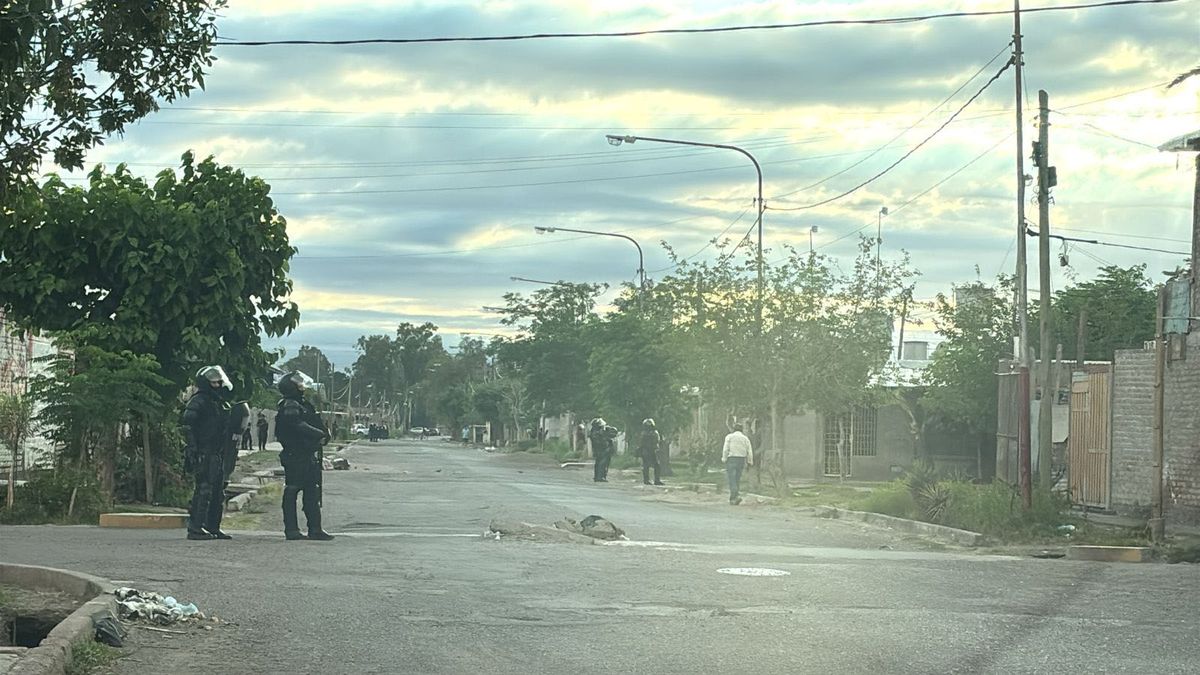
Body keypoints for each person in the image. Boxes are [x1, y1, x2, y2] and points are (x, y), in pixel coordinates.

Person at [276, 371, 334, 541]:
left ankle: (315, 529)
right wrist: (318, 434)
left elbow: (312, 421)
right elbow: (297, 425)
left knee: (312, 491)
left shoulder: (303, 404)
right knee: (293, 489)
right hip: (295, 453)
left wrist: (324, 433)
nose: (302, 387)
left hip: (308, 453)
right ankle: (291, 529)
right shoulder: (290, 405)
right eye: (298, 384)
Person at [181, 365, 234, 540]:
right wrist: (193, 448)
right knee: (204, 489)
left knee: (218, 491)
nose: (218, 384)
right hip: (204, 451)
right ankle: (196, 527)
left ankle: (213, 526)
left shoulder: (217, 402)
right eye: (214, 381)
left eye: (219, 381)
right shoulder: (198, 400)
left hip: (217, 452)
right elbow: (187, 425)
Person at [722, 423, 754, 505]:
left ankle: (735, 494)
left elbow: (726, 449)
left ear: (734, 429)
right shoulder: (745, 438)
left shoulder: (729, 437)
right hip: (741, 459)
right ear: (742, 430)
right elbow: (749, 450)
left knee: (731, 478)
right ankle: (734, 497)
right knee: (737, 478)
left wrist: (724, 458)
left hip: (731, 458)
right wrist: (750, 461)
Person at [588, 418, 618, 483]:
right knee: (603, 463)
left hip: (599, 450)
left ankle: (598, 476)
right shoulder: (598, 433)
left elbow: (613, 433)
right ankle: (600, 477)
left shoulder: (595, 432)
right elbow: (602, 442)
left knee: (599, 463)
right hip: (602, 449)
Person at [638, 418, 664, 486]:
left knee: (654, 465)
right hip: (648, 450)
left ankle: (654, 480)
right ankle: (651, 480)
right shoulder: (648, 433)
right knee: (648, 466)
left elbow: (658, 441)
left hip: (651, 450)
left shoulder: (652, 433)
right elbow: (641, 443)